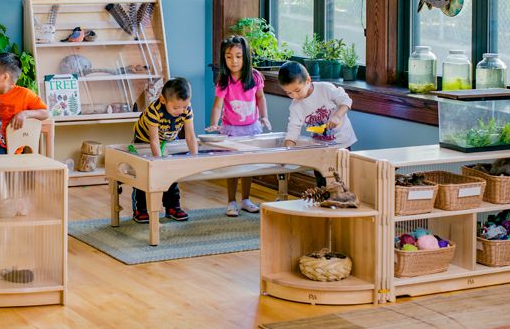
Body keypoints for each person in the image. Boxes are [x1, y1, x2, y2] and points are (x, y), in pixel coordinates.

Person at [206, 36, 271, 217]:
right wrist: (214, 123)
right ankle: (231, 201)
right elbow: (217, 105)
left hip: (251, 128)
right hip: (231, 129)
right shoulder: (224, 81)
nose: (234, 61)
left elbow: (260, 98)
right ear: (223, 58)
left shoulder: (255, 77)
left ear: (246, 57)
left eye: (238, 56)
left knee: (248, 166)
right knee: (232, 167)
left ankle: (246, 199)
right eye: (229, 57)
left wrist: (264, 116)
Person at [277, 61, 357, 186]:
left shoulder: (325, 88)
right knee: (321, 181)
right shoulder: (295, 107)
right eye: (289, 93)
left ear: (308, 80)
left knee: (342, 179)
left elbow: (346, 100)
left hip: (342, 143)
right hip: (319, 147)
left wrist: (337, 116)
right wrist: (287, 152)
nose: (294, 95)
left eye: (297, 90)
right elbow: (293, 130)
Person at [131, 77, 199, 224]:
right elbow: (153, 140)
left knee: (171, 174)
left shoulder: (186, 109)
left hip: (168, 140)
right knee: (144, 175)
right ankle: (140, 209)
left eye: (184, 106)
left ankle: (173, 207)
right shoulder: (153, 111)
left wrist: (196, 158)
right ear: (163, 100)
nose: (181, 111)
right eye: (176, 108)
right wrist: (159, 163)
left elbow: (190, 135)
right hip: (144, 140)